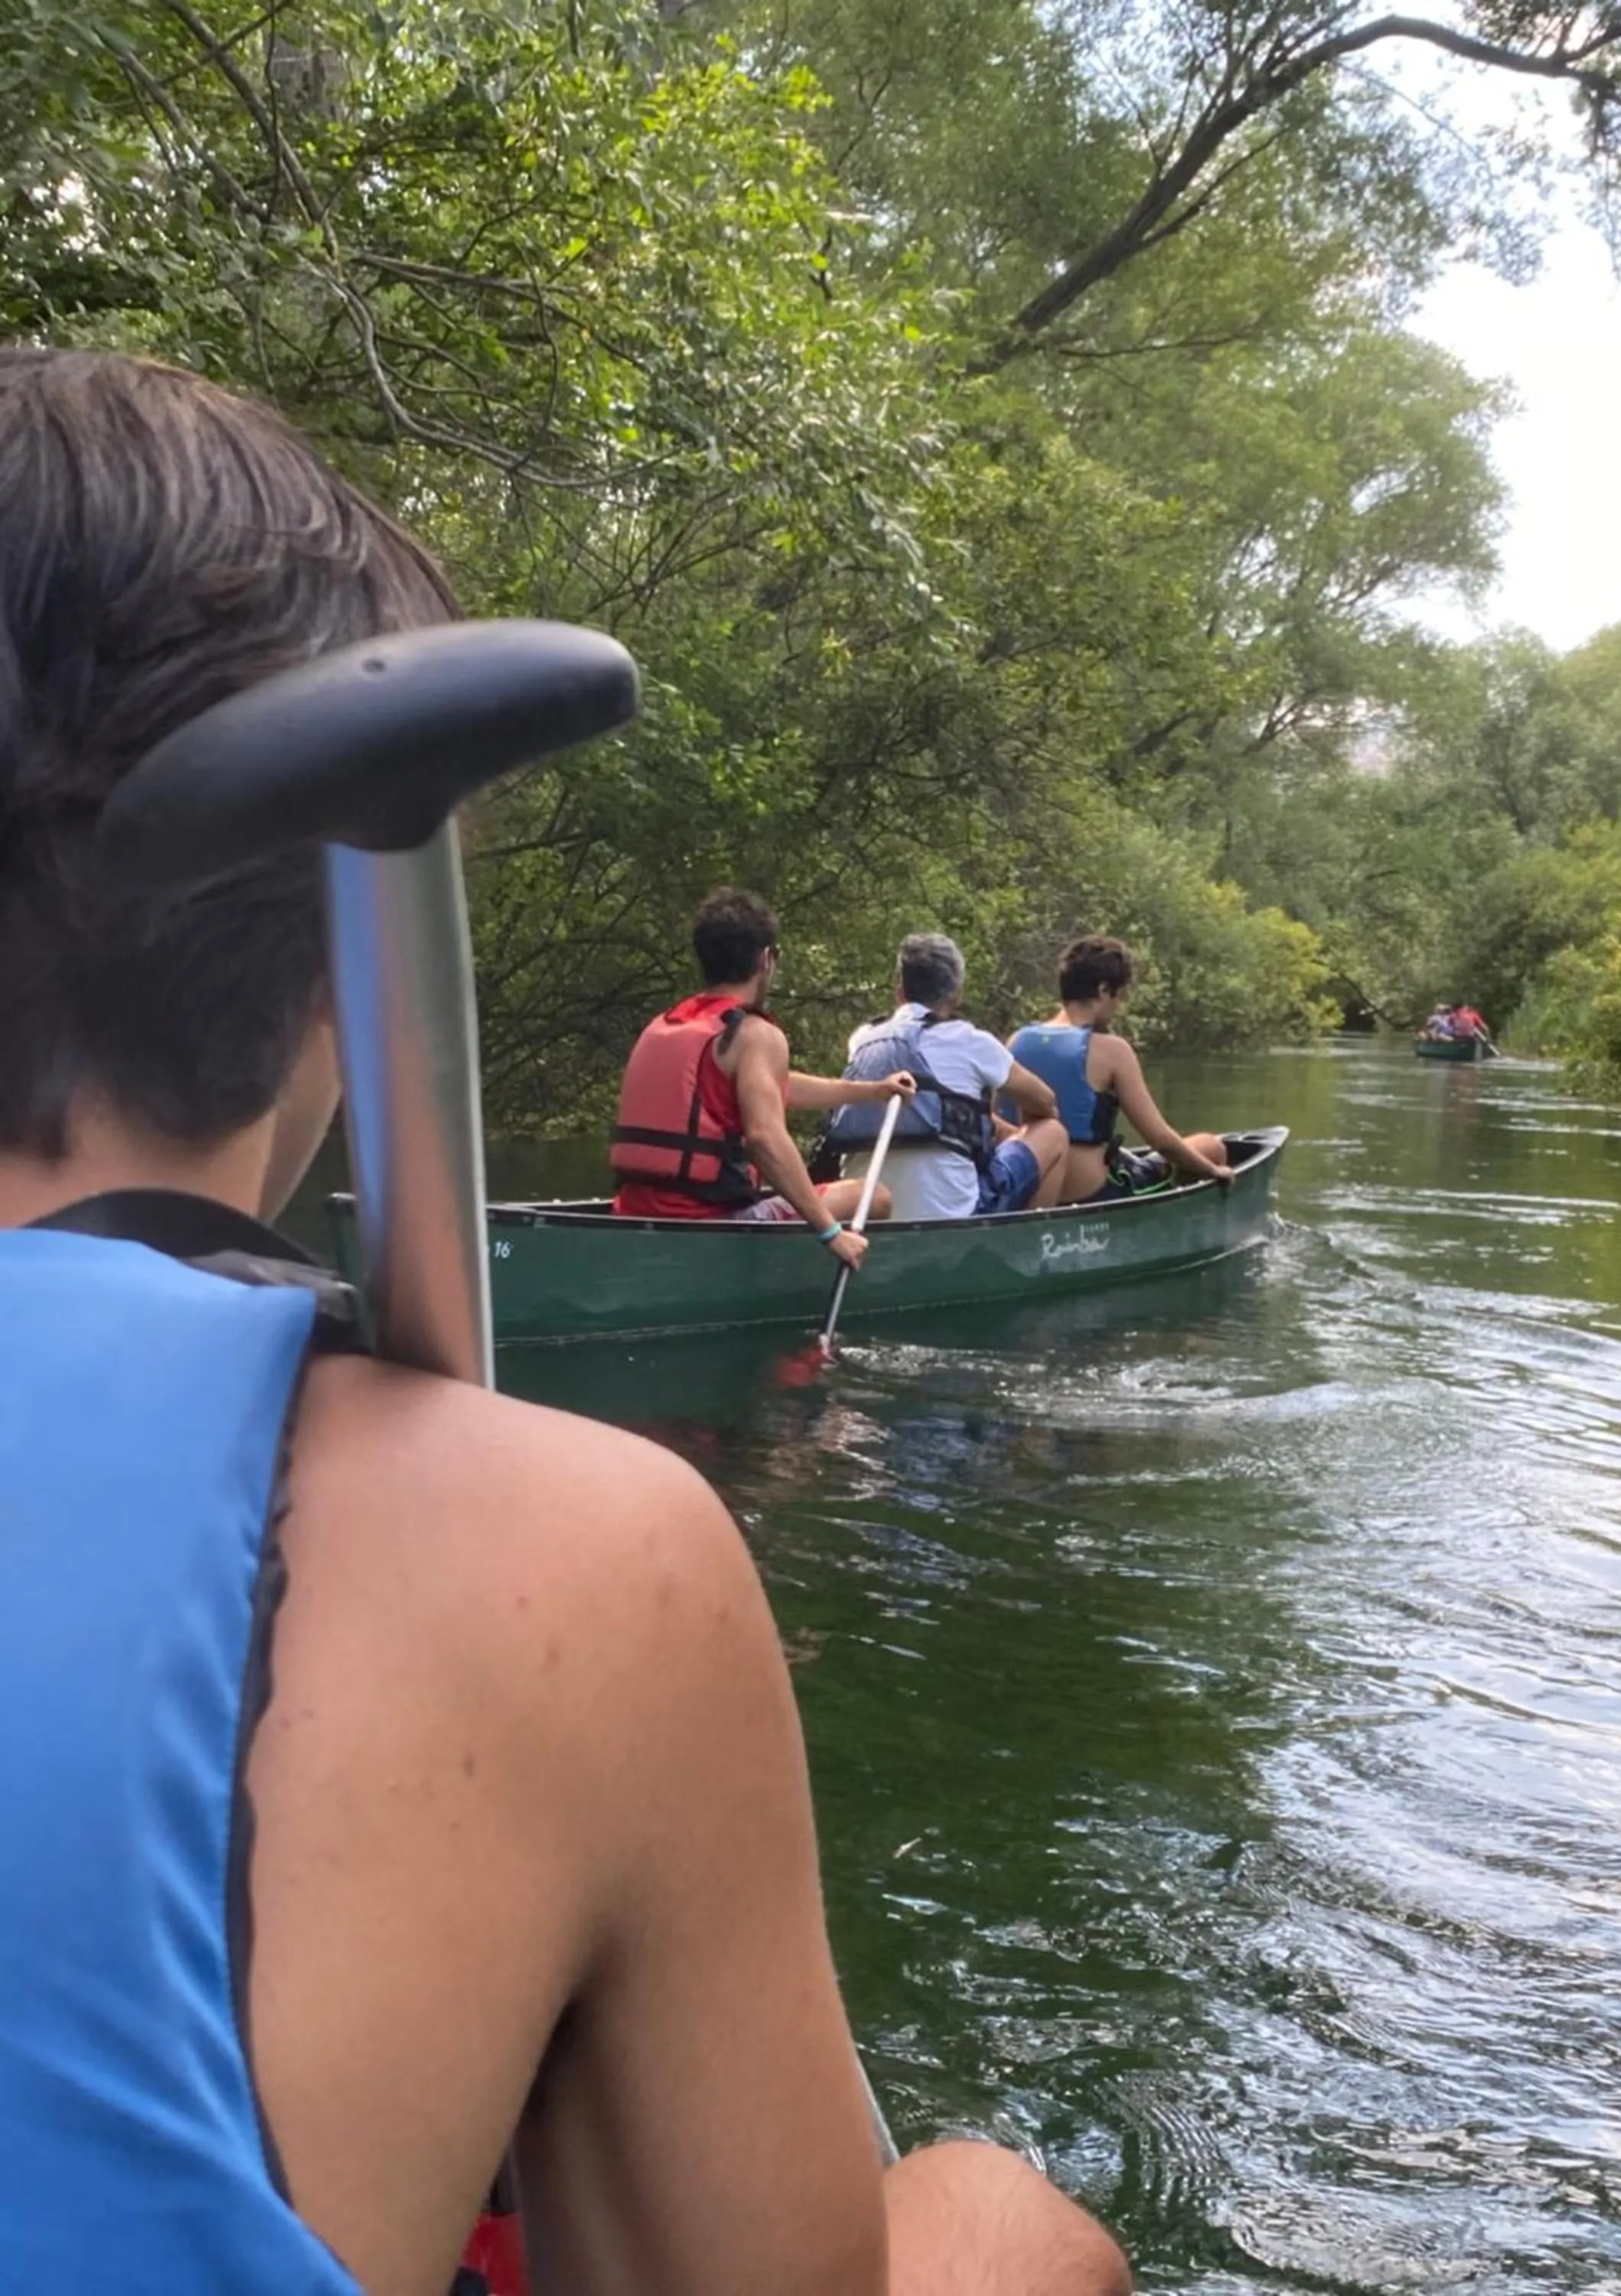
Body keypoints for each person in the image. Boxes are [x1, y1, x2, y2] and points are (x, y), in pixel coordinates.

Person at [0, 350, 1130, 2295]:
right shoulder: (579, 1558)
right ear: (329, 977)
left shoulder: (774, 1040)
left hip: (670, 1214)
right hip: (730, 1308)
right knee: (1013, 2219)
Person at [610, 887, 915, 1270]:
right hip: (708, 1226)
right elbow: (765, 1138)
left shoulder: (669, 1023)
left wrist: (872, 1091)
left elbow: (775, 1086)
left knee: (795, 1192)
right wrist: (830, 1233)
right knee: (874, 1196)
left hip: (633, 1215)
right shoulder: (756, 1034)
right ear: (766, 960)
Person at [826, 933, 1068, 1218]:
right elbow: (1046, 1102)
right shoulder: (972, 1041)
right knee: (1053, 1132)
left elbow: (925, 1110)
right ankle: (1029, 1244)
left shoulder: (863, 1041)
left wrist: (996, 1128)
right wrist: (1018, 1134)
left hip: (869, 1213)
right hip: (955, 1214)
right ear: (957, 994)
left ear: (900, 989)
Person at [1007, 936, 1233, 1204]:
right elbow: (1161, 1140)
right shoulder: (1113, 1050)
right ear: (1104, 990)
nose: (1119, 1007)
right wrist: (1213, 1170)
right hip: (1089, 1191)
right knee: (1211, 1146)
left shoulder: (1016, 1041)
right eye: (1119, 996)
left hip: (1026, 1190)